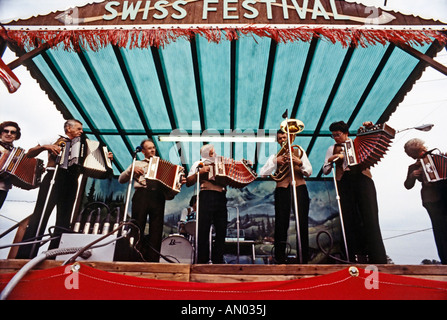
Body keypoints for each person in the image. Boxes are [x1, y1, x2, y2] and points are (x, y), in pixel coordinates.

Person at [17, 119, 113, 259]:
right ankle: (25, 255)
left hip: (71, 181)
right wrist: (45, 147)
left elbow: (95, 171)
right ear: (68, 128)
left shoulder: (85, 145)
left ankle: (53, 255)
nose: (81, 131)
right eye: (79, 128)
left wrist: (106, 159)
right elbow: (29, 154)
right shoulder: (54, 138)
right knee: (41, 214)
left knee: (64, 219)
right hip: (53, 177)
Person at [322, 121, 387, 264]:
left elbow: (375, 134)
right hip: (345, 182)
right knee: (350, 219)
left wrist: (369, 126)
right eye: (333, 136)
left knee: (370, 217)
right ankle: (355, 255)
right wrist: (332, 160)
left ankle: (378, 257)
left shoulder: (358, 142)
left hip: (363, 181)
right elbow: (325, 170)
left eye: (338, 135)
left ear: (346, 133)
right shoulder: (332, 148)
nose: (336, 138)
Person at [118, 138, 185, 262]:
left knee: (156, 229)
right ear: (142, 151)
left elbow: (169, 193)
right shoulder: (137, 163)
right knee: (137, 225)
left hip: (158, 197)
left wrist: (177, 183)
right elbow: (121, 179)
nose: (153, 150)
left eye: (153, 147)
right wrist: (131, 171)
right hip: (142, 194)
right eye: (149, 148)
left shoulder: (163, 166)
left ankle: (153, 260)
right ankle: (134, 256)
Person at [260, 129, 312, 264]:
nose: (282, 140)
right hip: (282, 190)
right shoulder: (274, 156)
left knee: (302, 223)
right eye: (280, 139)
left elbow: (309, 172)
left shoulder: (299, 151)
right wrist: (275, 162)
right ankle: (279, 257)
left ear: (290, 137)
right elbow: (263, 174)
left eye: (284, 137)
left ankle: (303, 258)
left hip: (299, 188)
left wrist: (299, 162)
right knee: (281, 224)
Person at [404, 138, 447, 264]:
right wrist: (412, 176)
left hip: (444, 196)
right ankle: (445, 259)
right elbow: (407, 185)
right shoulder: (413, 167)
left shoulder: (439, 157)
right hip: (432, 201)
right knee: (440, 230)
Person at [186, 144, 228, 264]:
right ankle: (202, 261)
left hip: (221, 197)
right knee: (203, 230)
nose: (215, 154)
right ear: (208, 153)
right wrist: (200, 172)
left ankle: (218, 260)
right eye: (213, 152)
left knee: (221, 230)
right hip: (206, 196)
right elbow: (188, 181)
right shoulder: (198, 163)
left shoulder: (222, 163)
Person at [0, 121, 21, 209]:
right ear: (1, 133)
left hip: (3, 188)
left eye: (12, 132)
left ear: (16, 136)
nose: (9, 134)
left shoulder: (17, 153)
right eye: (6, 131)